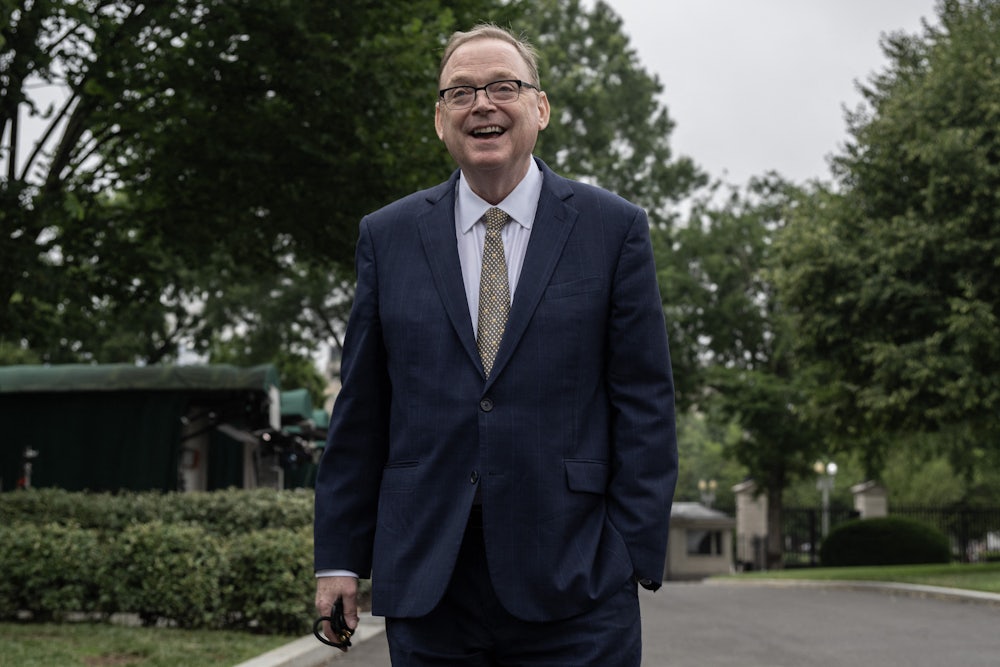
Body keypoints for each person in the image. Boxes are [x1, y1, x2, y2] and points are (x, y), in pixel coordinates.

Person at [314, 23, 678, 666]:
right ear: (440, 119)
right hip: (431, 583)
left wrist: (630, 552)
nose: (482, 103)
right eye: (461, 92)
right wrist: (340, 556)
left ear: (540, 108)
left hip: (578, 583)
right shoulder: (387, 236)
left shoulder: (613, 229)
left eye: (503, 86)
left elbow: (645, 402)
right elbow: (362, 410)